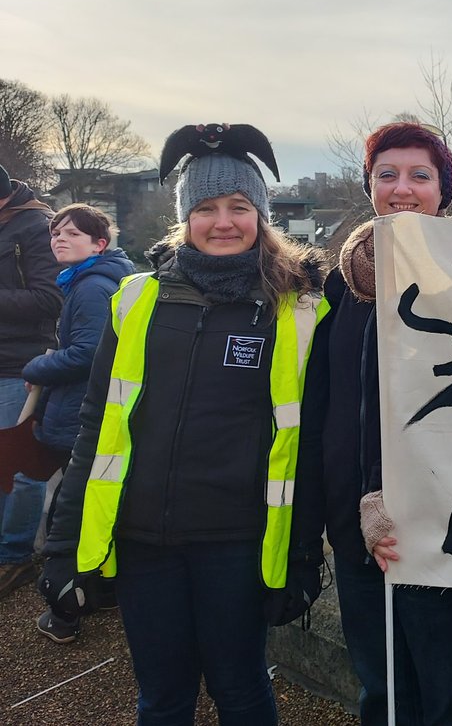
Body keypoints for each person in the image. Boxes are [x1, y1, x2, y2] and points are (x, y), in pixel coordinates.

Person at [38, 126, 329, 724]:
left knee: (241, 688)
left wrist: (301, 555)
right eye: (205, 208)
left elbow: (310, 444)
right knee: (162, 697)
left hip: (237, 540)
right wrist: (65, 547)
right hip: (146, 540)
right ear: (185, 218)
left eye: (239, 207)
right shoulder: (135, 299)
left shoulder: (299, 308)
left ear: (261, 215)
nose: (223, 222)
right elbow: (96, 426)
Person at [311, 121, 452, 726]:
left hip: (450, 527)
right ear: (369, 187)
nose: (403, 188)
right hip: (358, 531)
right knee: (383, 696)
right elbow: (330, 402)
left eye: (421, 175)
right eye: (387, 175)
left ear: (444, 189)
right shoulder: (341, 285)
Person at [23, 203, 135, 643]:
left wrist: (39, 365)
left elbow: (89, 354)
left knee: (72, 509)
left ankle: (67, 603)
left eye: (71, 234)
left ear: (99, 244)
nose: (58, 240)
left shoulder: (90, 288)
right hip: (86, 412)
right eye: (55, 233)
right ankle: (102, 589)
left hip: (83, 415)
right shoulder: (88, 281)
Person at [0, 163, 61, 599]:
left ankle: (14, 555)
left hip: (19, 362)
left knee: (20, 463)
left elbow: (49, 298)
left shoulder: (36, 226)